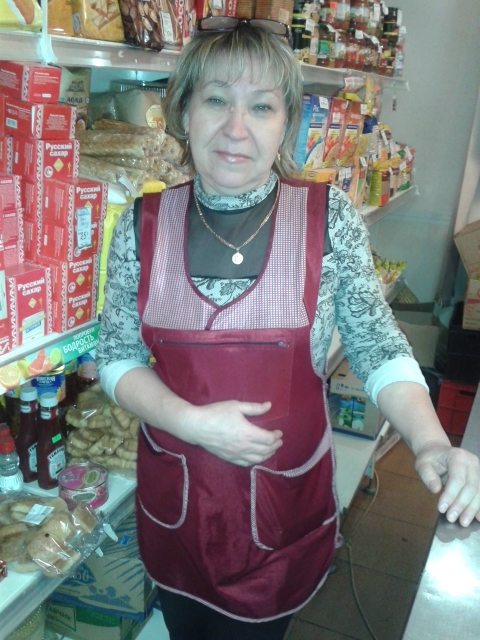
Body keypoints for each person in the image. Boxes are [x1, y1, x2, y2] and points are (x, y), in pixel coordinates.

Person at [96, 17, 480, 640]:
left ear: (286, 123)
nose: (236, 128)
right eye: (216, 100)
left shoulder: (327, 219)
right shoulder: (142, 225)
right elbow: (116, 356)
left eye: (261, 106)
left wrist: (432, 442)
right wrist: (190, 422)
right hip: (179, 511)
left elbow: (377, 345)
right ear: (184, 110)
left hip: (282, 516)